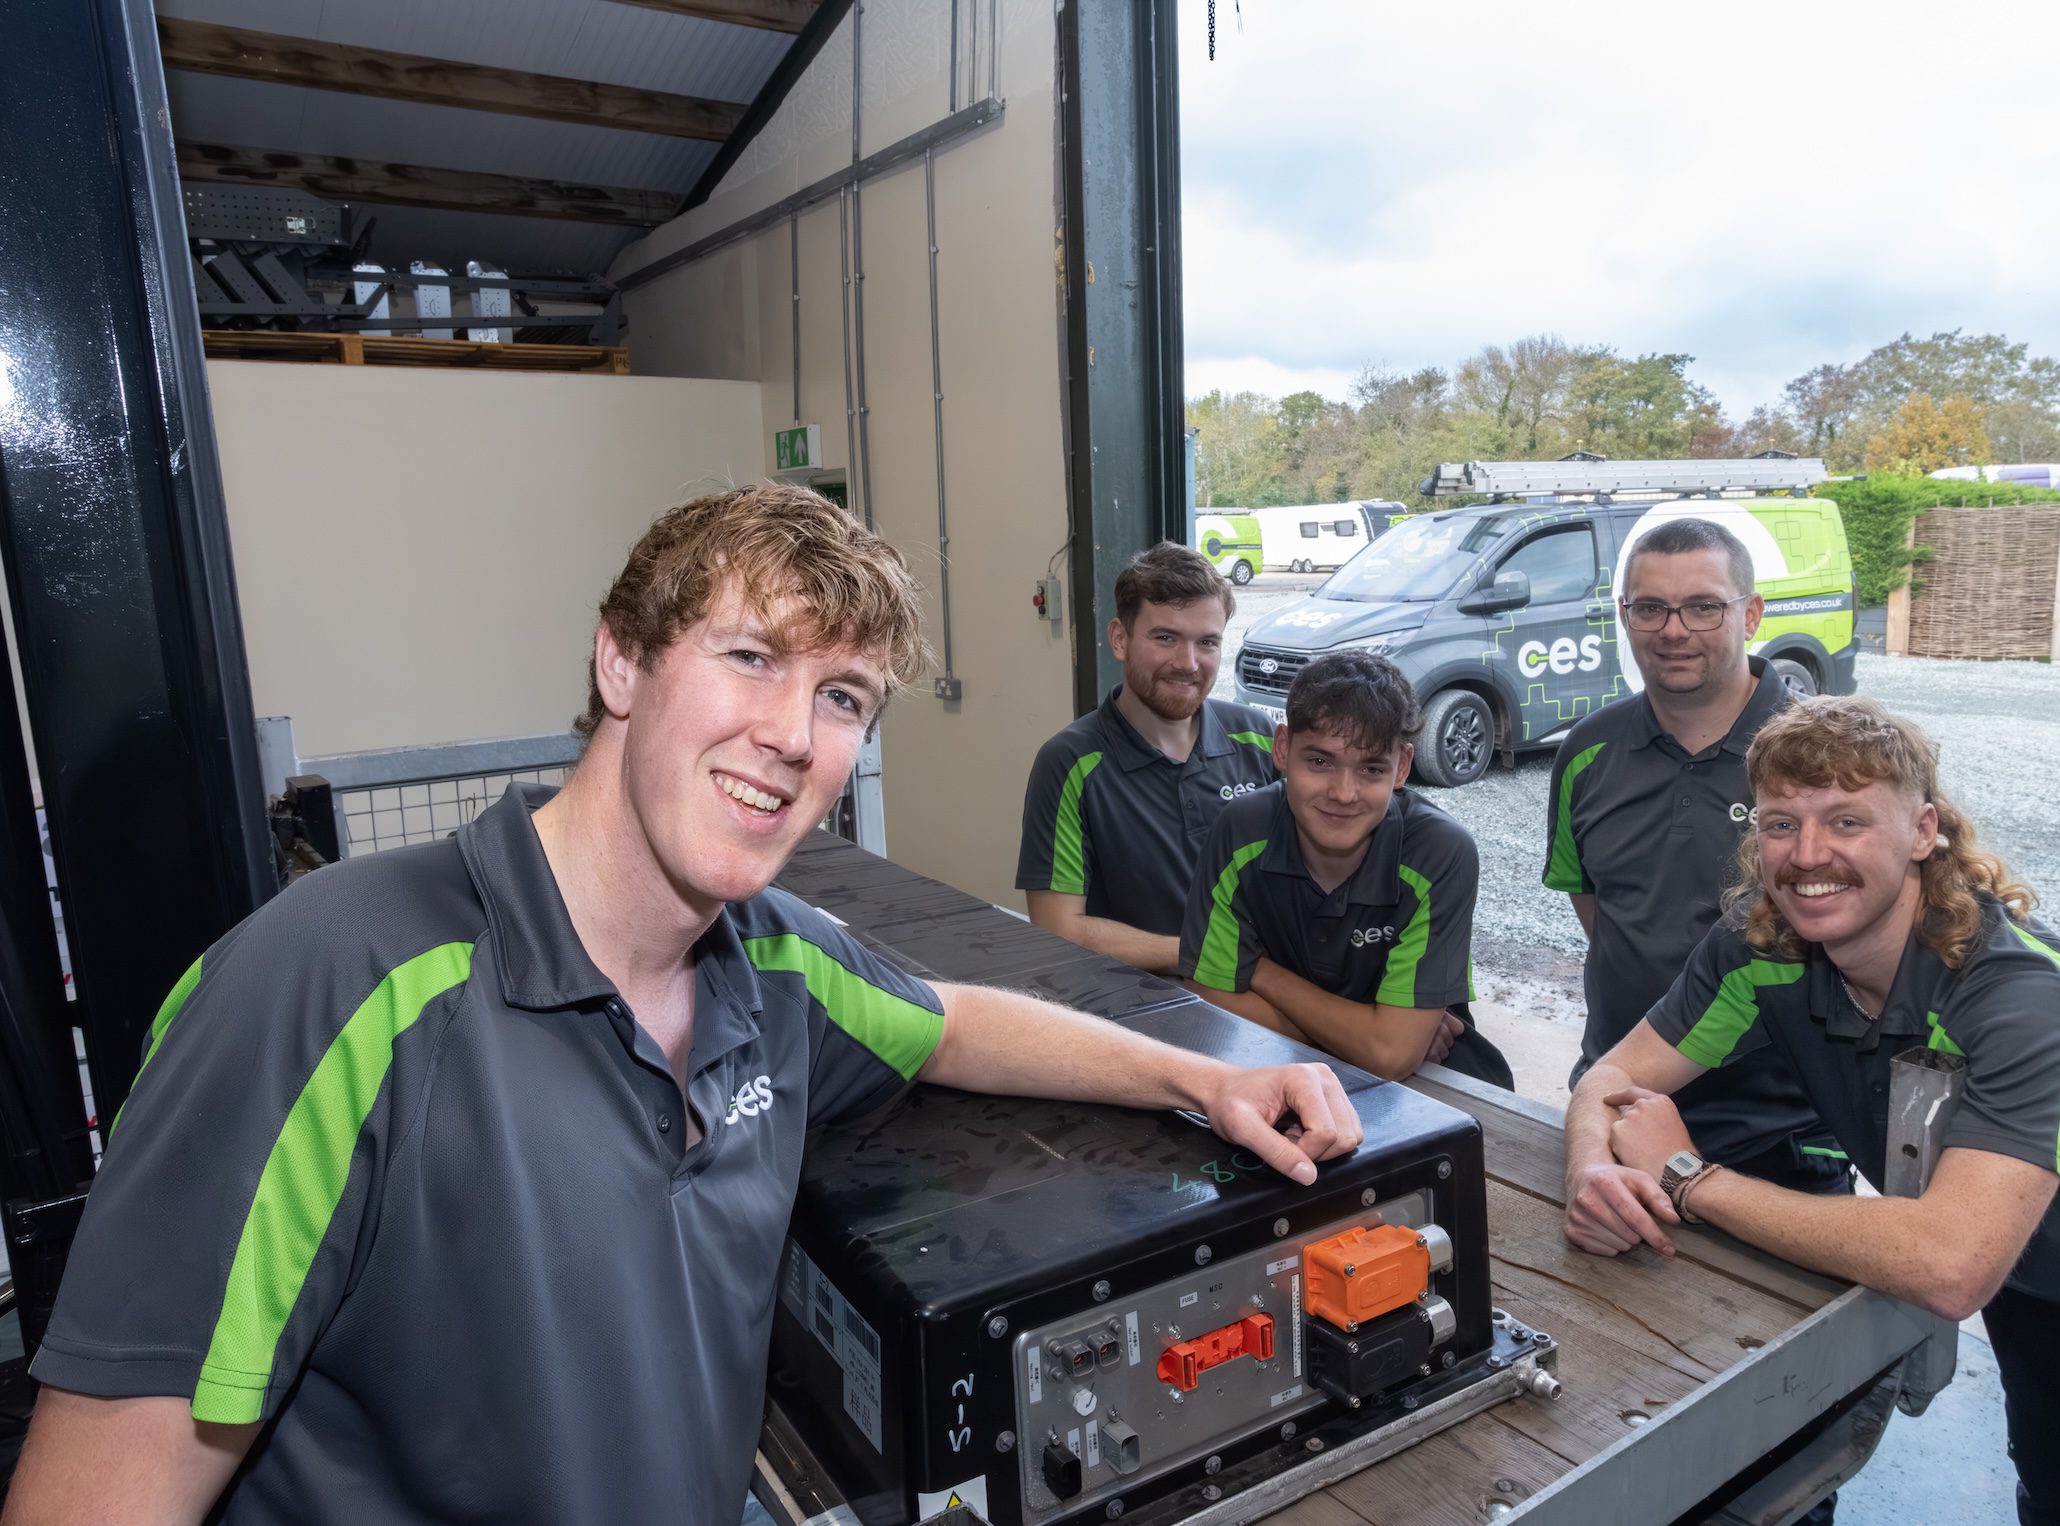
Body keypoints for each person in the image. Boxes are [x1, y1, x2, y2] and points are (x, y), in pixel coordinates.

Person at [4, 486, 1363, 1526]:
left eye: (842, 696)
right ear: (621, 665)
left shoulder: (769, 963)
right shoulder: (327, 989)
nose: (793, 732)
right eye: (751, 657)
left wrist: (1207, 1080)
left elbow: (949, 1018)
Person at [1565, 695, 2060, 1526]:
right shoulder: (1762, 951)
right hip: (2041, 1267)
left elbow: (1951, 1266)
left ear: (1922, 832)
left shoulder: (2018, 992)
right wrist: (1591, 1168)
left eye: (1845, 821)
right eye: (1779, 824)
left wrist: (1690, 1178)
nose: (1807, 856)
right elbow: (1609, 1078)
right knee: (2056, 1496)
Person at [1544, 517, 1847, 1193]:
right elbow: (1593, 902)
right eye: (1650, 607)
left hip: (1781, 1131)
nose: (1672, 630)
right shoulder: (1587, 752)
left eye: (1703, 606)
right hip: (1618, 1104)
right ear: (1624, 616)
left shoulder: (1824, 756)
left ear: (1752, 612)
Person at [1175, 651, 1513, 1088]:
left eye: (1372, 768)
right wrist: (1366, 1037)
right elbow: (1208, 997)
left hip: (1433, 1085)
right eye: (1319, 762)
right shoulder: (1241, 829)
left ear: (1402, 767)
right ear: (1282, 748)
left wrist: (1259, 972)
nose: (1344, 793)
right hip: (1278, 1075)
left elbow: (1391, 1058)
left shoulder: (1439, 852)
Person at [1016, 542, 1278, 973]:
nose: (1188, 663)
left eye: (1207, 642)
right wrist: (1216, 957)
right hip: (1147, 1006)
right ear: (1120, 639)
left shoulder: (1261, 739)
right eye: (1165, 638)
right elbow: (1057, 928)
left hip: (1271, 991)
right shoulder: (1070, 763)